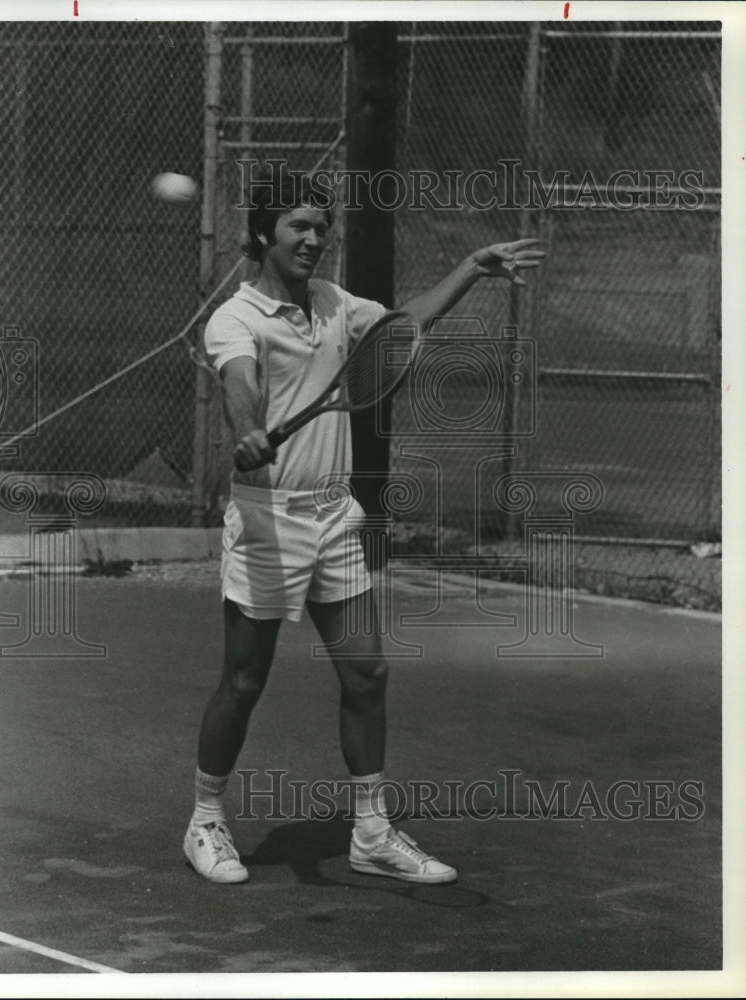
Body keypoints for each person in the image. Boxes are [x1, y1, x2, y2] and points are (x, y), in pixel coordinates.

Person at [184, 171, 543, 884]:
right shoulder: (236, 318)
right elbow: (240, 385)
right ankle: (204, 819)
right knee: (246, 678)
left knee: (368, 673)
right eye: (299, 226)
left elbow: (406, 324)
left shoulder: (334, 304)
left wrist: (473, 266)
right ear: (264, 234)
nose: (315, 238)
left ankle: (371, 834)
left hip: (334, 515)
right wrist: (250, 432)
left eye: (322, 227)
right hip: (269, 524)